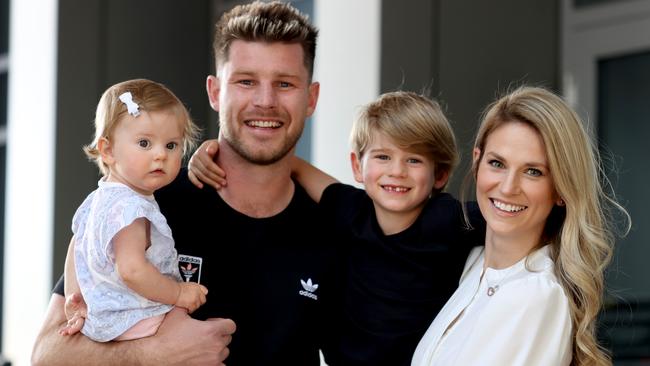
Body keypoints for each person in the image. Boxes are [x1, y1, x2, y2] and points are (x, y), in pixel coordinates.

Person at [31, 1, 335, 365]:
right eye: (246, 81)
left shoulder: (333, 227)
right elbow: (47, 354)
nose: (265, 101)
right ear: (215, 92)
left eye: (284, 84)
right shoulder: (141, 203)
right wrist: (152, 354)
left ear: (311, 98)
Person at [190, 91, 483, 366]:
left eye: (414, 160)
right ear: (357, 166)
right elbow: (288, 163)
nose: (397, 171)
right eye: (383, 156)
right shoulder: (351, 211)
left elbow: (517, 219)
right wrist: (213, 151)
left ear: (440, 174)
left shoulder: (450, 219)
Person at [411, 86, 630, 366]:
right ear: (477, 161)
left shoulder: (538, 294)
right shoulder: (472, 263)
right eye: (497, 163)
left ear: (561, 189)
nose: (508, 187)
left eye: (533, 171)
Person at [57, 79, 208, 342]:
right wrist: (178, 293)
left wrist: (76, 300)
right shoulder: (131, 208)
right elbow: (132, 270)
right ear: (108, 150)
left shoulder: (96, 200)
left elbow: (76, 250)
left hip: (103, 317)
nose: (160, 155)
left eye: (171, 145)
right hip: (137, 320)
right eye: (145, 144)